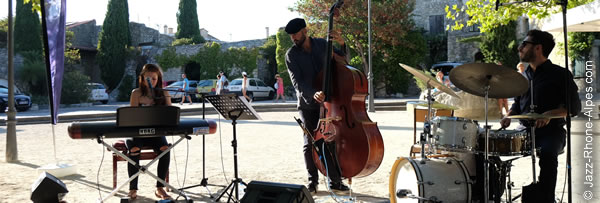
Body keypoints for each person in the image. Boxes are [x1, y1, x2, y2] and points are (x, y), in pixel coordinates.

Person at [500, 29, 581, 202]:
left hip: (551, 133)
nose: (519, 48)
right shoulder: (522, 77)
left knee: (548, 155)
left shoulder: (560, 75)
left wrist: (549, 115)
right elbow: (517, 104)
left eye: (524, 44)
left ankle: (546, 199)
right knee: (488, 150)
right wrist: (508, 115)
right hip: (523, 133)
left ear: (538, 48)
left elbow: (573, 107)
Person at [284, 17, 350, 193]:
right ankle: (312, 181)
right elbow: (297, 82)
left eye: (296, 34)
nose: (293, 38)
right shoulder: (291, 55)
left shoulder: (322, 44)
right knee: (310, 141)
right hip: (308, 104)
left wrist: (342, 44)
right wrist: (313, 93)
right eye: (291, 36)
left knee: (330, 141)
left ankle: (335, 180)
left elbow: (344, 61)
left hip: (331, 102)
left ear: (305, 31)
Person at [126, 64, 172, 200]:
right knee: (134, 149)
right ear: (142, 78)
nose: (151, 81)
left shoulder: (164, 93)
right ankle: (132, 189)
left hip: (156, 132)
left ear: (158, 79)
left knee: (165, 149)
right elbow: (132, 116)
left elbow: (170, 113)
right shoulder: (136, 93)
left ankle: (160, 187)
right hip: (137, 132)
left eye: (154, 79)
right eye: (148, 78)